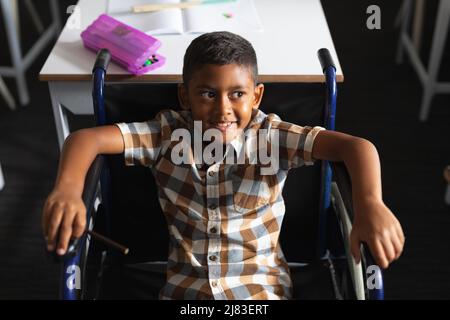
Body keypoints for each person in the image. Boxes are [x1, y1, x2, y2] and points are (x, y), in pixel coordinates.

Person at [42, 31, 404, 299]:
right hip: (188, 294)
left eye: (237, 94)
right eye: (207, 94)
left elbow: (357, 148)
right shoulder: (167, 133)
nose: (222, 109)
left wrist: (370, 204)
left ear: (256, 95)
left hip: (259, 292)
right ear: (185, 96)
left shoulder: (272, 136)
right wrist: (68, 190)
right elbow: (84, 139)